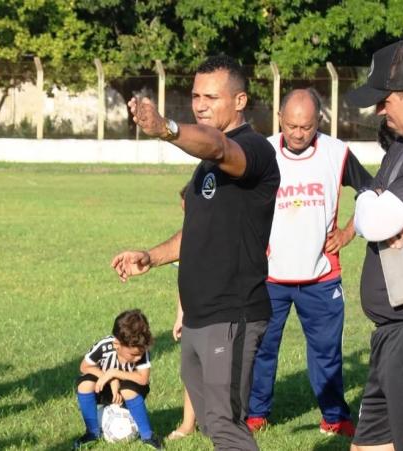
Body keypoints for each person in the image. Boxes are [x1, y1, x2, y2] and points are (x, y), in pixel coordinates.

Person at [111, 55, 280, 451]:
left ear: (240, 101)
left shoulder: (253, 149)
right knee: (210, 421)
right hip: (200, 315)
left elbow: (220, 146)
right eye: (195, 96)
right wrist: (151, 257)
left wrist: (167, 128)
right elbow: (196, 230)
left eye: (211, 97)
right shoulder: (204, 164)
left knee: (226, 425)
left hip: (232, 313)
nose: (200, 104)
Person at [246, 89, 372, 436]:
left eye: (307, 126)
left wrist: (349, 232)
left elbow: (372, 192)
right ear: (280, 120)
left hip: (321, 277)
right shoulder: (262, 151)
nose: (299, 134)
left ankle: (335, 416)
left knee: (327, 353)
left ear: (319, 121)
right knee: (261, 349)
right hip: (269, 277)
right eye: (291, 126)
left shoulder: (337, 153)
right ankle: (256, 413)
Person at [346, 40, 403, 451]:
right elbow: (371, 207)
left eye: (385, 101)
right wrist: (372, 208)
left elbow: (375, 217)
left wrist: (373, 209)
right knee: (368, 447)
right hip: (393, 333)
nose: (379, 111)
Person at [73, 309, 162, 449]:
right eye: (133, 355)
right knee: (84, 384)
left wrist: (115, 373)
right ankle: (92, 432)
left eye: (140, 354)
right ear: (117, 345)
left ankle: (147, 435)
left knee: (127, 389)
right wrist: (109, 378)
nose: (138, 358)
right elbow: (84, 367)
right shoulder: (104, 346)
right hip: (106, 390)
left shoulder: (140, 350)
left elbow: (143, 379)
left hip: (130, 392)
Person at [167, 183, 197, 441]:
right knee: (191, 370)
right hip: (194, 313)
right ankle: (188, 424)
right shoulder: (186, 235)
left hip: (223, 312)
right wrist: (180, 315)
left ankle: (224, 421)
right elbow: (183, 279)